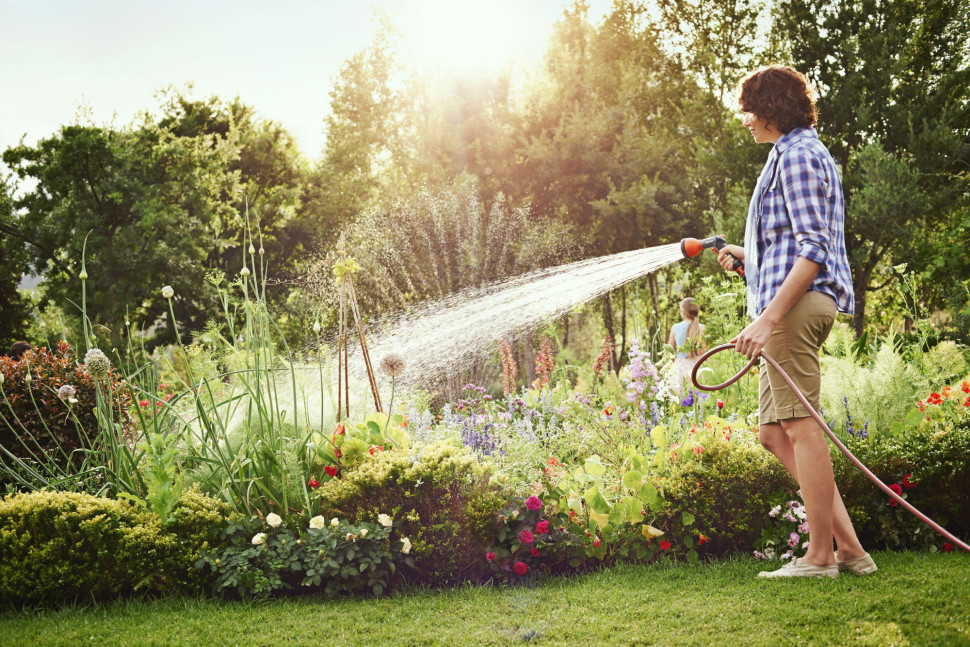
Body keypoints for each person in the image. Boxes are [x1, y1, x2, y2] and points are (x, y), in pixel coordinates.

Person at [717, 65, 875, 578]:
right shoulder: (788, 154)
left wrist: (767, 318)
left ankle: (820, 556)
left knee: (801, 426)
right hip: (787, 302)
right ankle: (849, 551)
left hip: (793, 310)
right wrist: (749, 257)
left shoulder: (800, 156)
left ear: (771, 109)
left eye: (749, 109)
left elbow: (814, 249)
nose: (745, 119)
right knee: (773, 432)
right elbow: (793, 244)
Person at [667, 297, 705, 396]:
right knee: (696, 398)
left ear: (683, 311)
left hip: (678, 366)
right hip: (695, 365)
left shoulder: (675, 327)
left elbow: (669, 350)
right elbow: (701, 350)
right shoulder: (701, 327)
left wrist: (671, 367)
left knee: (679, 398)